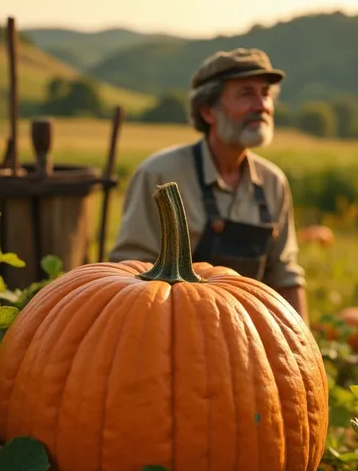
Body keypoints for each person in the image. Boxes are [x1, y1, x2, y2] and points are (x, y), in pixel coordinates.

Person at [108, 48, 308, 324]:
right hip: (171, 333)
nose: (262, 105)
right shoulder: (159, 174)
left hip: (252, 339)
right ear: (208, 111)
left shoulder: (273, 182)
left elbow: (285, 276)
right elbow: (129, 271)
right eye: (246, 93)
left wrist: (304, 351)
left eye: (265, 93)